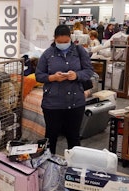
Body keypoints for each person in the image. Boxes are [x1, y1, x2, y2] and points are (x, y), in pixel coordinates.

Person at [35, 24, 93, 154]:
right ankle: (49, 168)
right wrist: (53, 78)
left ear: (70, 38)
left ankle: (74, 170)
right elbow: (39, 75)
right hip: (52, 103)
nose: (63, 44)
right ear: (54, 39)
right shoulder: (47, 54)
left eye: (66, 42)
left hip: (75, 102)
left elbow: (89, 71)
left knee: (74, 138)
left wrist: (77, 75)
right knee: (51, 137)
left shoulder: (79, 51)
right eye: (59, 42)